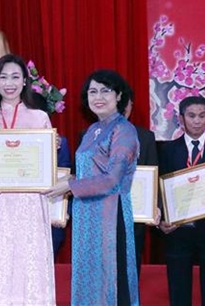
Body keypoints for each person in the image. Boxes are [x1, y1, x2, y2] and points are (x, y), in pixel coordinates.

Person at [46, 69, 140, 306]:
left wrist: (69, 186)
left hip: (111, 216)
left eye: (105, 91)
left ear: (119, 96)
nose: (98, 97)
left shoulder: (124, 130)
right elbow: (88, 172)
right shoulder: (92, 130)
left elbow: (112, 179)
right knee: (88, 278)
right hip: (86, 216)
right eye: (93, 91)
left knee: (112, 282)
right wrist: (66, 179)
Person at [0, 54, 55, 305]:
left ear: (24, 82)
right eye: (3, 77)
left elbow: (47, 170)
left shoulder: (40, 118)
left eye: (15, 77)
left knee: (30, 267)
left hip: (30, 205)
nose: (9, 83)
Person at [158, 96, 205, 306]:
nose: (197, 121)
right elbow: (159, 188)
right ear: (181, 119)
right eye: (191, 116)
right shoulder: (167, 150)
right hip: (178, 230)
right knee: (178, 288)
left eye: (202, 115)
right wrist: (162, 218)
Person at [123, 87, 159, 274]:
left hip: (135, 215)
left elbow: (152, 174)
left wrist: (154, 206)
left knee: (131, 267)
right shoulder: (90, 135)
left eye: (126, 103)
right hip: (101, 217)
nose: (122, 108)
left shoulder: (145, 137)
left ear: (131, 106)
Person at [32, 92, 72, 256]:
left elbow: (66, 175)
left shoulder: (60, 143)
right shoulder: (8, 143)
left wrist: (63, 211)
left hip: (50, 215)